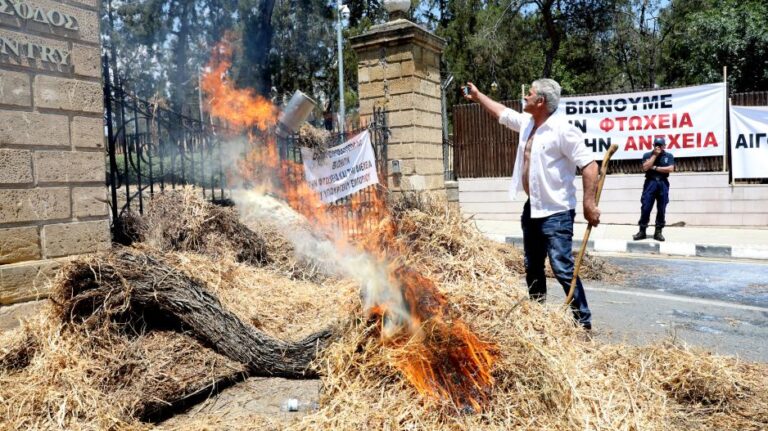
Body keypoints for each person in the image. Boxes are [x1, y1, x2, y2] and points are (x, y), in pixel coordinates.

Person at [463, 79, 600, 330]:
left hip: (557, 211)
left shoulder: (563, 130)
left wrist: (588, 204)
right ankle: (536, 317)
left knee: (561, 267)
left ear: (541, 102)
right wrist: (478, 95)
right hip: (533, 208)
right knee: (532, 266)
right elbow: (502, 114)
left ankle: (583, 322)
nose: (524, 96)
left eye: (530, 93)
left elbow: (591, 166)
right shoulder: (528, 124)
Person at [633, 137, 675, 241]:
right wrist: (654, 155)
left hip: (662, 183)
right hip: (650, 183)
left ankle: (658, 232)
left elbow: (670, 169)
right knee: (646, 207)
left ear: (664, 146)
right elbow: (645, 167)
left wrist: (655, 168)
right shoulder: (647, 155)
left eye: (660, 145)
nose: (658, 147)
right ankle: (642, 230)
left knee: (661, 208)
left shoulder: (668, 156)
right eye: (656, 145)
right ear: (653, 145)